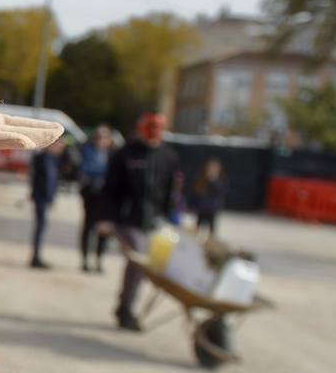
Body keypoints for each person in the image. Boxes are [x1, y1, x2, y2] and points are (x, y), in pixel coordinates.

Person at [96, 112, 178, 331]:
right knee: (137, 264)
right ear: (142, 129)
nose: (154, 135)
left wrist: (171, 219)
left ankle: (126, 307)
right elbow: (109, 189)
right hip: (128, 220)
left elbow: (170, 192)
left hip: (154, 223)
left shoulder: (168, 156)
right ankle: (125, 310)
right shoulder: (125, 154)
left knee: (151, 266)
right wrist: (106, 219)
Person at [76, 125, 112, 273]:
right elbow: (83, 170)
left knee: (103, 229)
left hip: (105, 196)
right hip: (90, 194)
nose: (100, 140)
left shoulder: (111, 155)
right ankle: (85, 259)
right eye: (98, 137)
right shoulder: (87, 151)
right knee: (88, 227)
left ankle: (99, 260)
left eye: (103, 137)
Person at [28, 139, 65, 269]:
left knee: (41, 227)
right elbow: (46, 180)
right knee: (40, 227)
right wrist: (49, 197)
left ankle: (37, 256)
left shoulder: (51, 159)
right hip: (42, 197)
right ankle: (36, 257)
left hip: (43, 197)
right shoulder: (44, 158)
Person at [190, 157, 228, 239]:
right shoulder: (202, 178)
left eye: (215, 167)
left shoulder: (221, 179)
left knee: (211, 231)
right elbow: (196, 191)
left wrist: (213, 180)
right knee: (197, 229)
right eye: (211, 167)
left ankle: (211, 243)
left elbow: (222, 191)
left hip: (212, 209)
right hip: (201, 207)